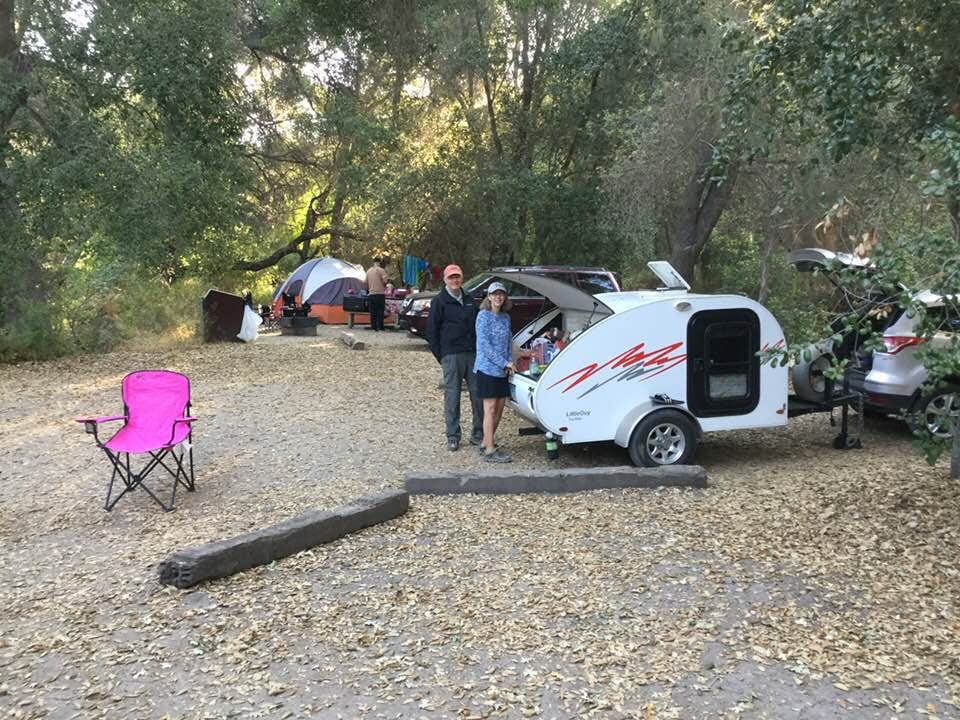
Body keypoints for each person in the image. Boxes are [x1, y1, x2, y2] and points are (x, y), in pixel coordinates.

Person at [428, 264, 483, 451]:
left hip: (472, 354)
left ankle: (479, 434)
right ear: (445, 280)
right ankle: (453, 435)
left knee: (478, 395)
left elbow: (478, 325)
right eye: (451, 277)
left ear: (462, 278)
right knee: (452, 396)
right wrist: (442, 356)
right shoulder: (439, 301)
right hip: (451, 355)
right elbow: (432, 332)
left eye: (457, 277)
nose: (455, 280)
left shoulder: (469, 300)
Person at [474, 282, 529, 462]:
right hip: (487, 369)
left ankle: (485, 442)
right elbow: (485, 347)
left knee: (498, 409)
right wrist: (504, 362)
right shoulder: (483, 316)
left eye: (501, 294)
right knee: (489, 409)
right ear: (488, 297)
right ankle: (490, 450)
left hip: (502, 370)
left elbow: (507, 343)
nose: (498, 297)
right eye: (494, 294)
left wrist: (511, 362)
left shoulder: (505, 318)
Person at [365, 257, 389, 331]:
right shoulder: (381, 270)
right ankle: (380, 326)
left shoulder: (368, 271)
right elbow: (385, 281)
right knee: (380, 311)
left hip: (371, 294)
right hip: (380, 293)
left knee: (373, 311)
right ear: (379, 262)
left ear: (373, 262)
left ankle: (374, 326)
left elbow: (365, 282)